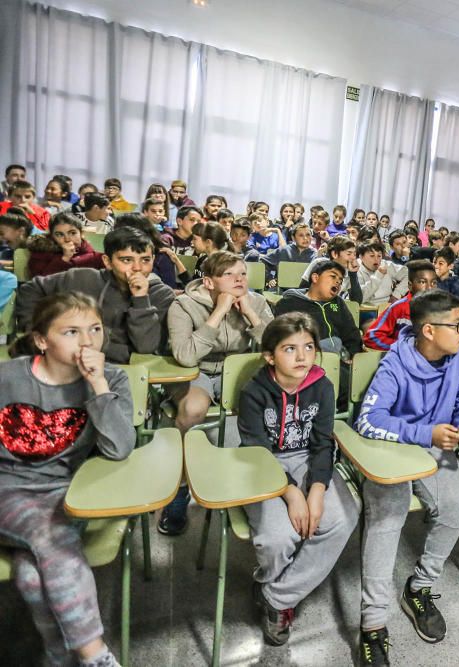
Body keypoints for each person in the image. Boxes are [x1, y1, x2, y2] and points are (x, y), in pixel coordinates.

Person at [0, 292, 134, 667]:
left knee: (31, 575)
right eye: (72, 332)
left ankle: (58, 655)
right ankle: (95, 656)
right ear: (42, 340)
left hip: (67, 491)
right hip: (7, 488)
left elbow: (120, 448)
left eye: (95, 329)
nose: (88, 342)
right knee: (49, 534)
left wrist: (99, 386)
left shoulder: (113, 380)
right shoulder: (7, 377)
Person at [353, 290, 459, 666]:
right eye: (456, 325)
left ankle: (419, 587)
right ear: (428, 330)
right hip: (396, 446)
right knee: (388, 513)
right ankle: (373, 623)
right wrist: (427, 433)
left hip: (437, 444)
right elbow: (368, 421)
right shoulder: (395, 364)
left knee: (456, 506)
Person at [239, 314, 360, 646]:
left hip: (309, 460)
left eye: (308, 347)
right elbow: (256, 449)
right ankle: (273, 582)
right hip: (264, 464)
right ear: (269, 356)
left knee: (341, 518)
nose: (303, 356)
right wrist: (293, 493)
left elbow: (323, 443)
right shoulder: (253, 391)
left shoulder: (322, 385)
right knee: (277, 538)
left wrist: (317, 490)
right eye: (289, 349)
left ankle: (276, 598)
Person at [159, 251, 273, 535]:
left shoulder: (257, 301)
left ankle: (251, 481)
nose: (239, 279)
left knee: (262, 407)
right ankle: (180, 489)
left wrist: (249, 314)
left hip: (236, 368)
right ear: (209, 282)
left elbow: (276, 347)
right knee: (194, 409)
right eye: (229, 275)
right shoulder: (183, 304)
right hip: (196, 369)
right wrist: (218, 312)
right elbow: (185, 356)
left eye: (243, 273)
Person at [18, 226, 177, 363]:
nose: (137, 268)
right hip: (73, 364)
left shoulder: (162, 295)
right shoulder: (83, 278)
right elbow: (31, 289)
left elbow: (145, 347)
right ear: (107, 262)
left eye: (145, 260)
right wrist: (33, 329)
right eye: (127, 260)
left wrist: (141, 299)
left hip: (129, 372)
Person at [274, 260, 362, 395]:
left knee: (364, 380)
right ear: (315, 278)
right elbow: (283, 339)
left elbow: (351, 333)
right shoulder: (289, 303)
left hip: (339, 362)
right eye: (333, 277)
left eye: (340, 280)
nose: (338, 282)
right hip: (307, 363)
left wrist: (355, 356)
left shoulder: (338, 303)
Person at [364, 259, 438, 351]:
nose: (429, 287)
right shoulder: (398, 308)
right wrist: (401, 347)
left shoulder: (442, 309)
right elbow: (372, 337)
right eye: (422, 282)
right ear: (410, 285)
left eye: (434, 283)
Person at [26, 212, 104, 277]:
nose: (67, 239)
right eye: (59, 234)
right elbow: (41, 283)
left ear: (81, 234)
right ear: (52, 237)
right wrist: (64, 259)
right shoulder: (40, 254)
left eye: (73, 233)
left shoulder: (94, 257)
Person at [262, 223, 317, 289]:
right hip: (282, 290)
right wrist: (270, 278)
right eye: (301, 235)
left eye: (308, 235)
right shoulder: (284, 250)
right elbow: (263, 262)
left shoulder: (315, 255)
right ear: (293, 238)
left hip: (304, 291)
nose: (305, 238)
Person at [357, 239, 407, 306]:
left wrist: (396, 294)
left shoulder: (386, 265)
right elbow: (360, 298)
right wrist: (378, 276)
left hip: (386, 306)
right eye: (372, 256)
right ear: (361, 257)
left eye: (379, 256)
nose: (376, 259)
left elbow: (409, 273)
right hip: (363, 308)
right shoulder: (355, 269)